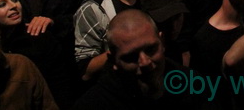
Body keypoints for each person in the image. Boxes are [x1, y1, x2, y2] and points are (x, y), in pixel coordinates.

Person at [0, 0, 78, 108]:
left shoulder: (40, 39)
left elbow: (61, 87)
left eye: (15, 0)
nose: (13, 6)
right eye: (2, 4)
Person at [72, 10, 200, 110]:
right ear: (113, 60)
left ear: (162, 42)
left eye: (150, 49)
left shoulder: (193, 84)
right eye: (131, 57)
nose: (145, 62)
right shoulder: (93, 104)